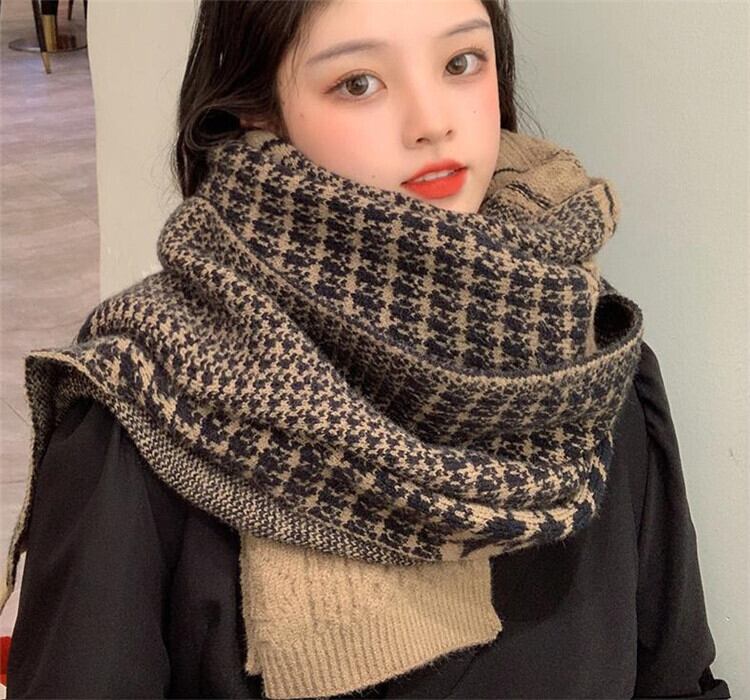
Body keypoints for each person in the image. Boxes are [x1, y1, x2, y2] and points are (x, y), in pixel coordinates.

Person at [1, 0, 731, 698]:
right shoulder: (147, 404)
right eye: (359, 82)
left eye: (461, 62)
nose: (432, 121)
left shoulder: (589, 368)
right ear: (258, 112)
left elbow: (674, 682)